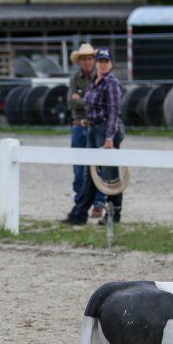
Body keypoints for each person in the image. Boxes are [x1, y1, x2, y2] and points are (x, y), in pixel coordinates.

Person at [61, 48, 124, 225]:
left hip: (105, 129)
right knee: (91, 173)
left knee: (109, 174)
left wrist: (110, 137)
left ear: (111, 64)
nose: (102, 64)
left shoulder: (110, 83)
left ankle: (113, 214)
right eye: (100, 61)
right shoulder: (98, 81)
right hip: (94, 128)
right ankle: (79, 213)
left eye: (106, 61)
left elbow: (113, 112)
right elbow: (73, 102)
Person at [67, 43, 105, 217]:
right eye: (84, 59)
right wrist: (89, 101)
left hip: (95, 126)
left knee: (98, 166)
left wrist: (81, 99)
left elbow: (100, 103)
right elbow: (70, 102)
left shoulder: (101, 77)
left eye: (90, 58)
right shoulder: (75, 78)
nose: (87, 62)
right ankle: (80, 203)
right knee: (78, 168)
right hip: (79, 125)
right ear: (80, 62)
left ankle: (98, 203)